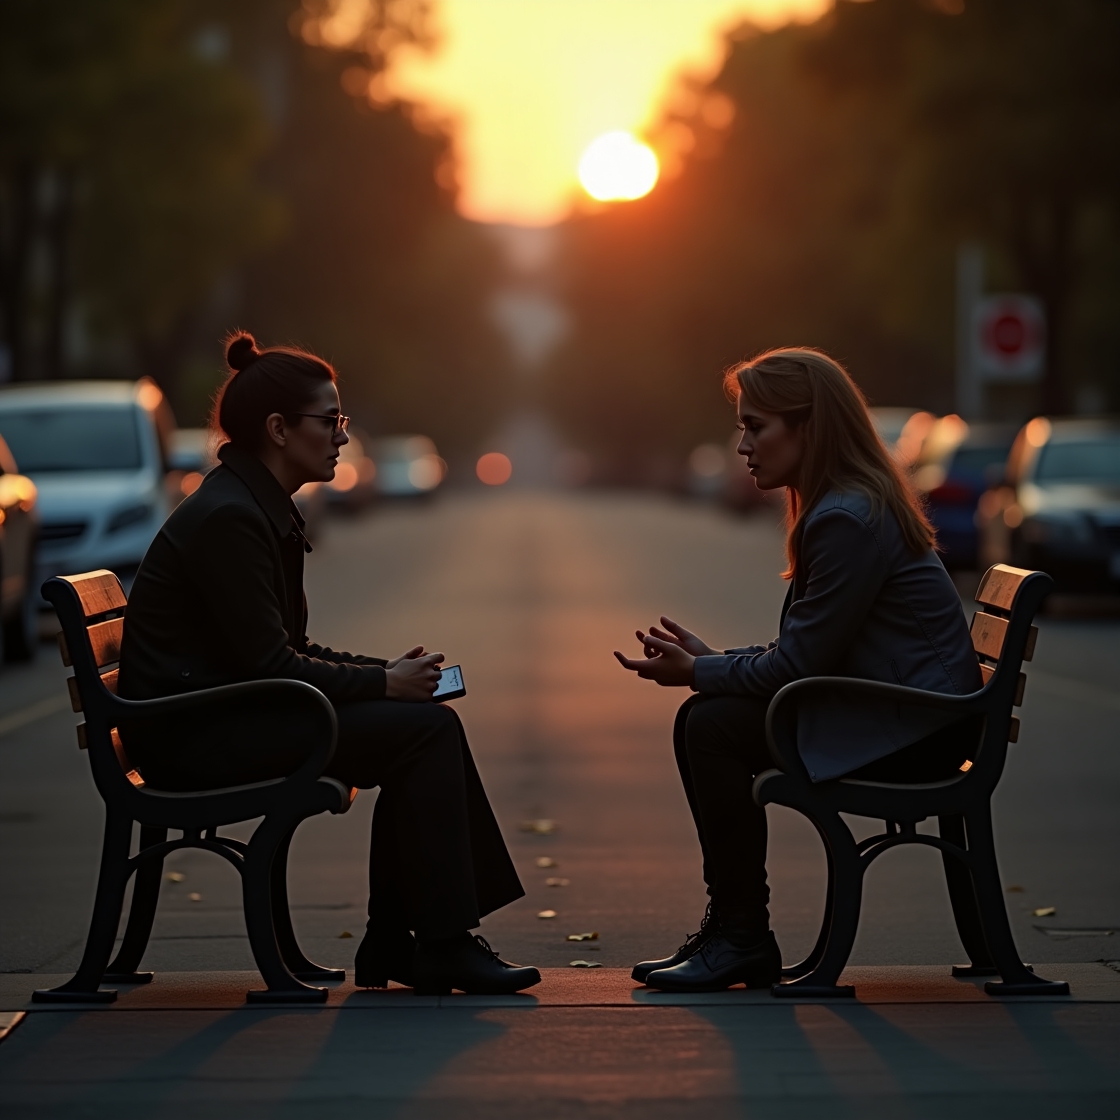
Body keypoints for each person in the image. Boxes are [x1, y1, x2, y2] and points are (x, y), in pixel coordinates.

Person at [118, 332, 539, 995]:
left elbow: (287, 654)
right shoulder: (232, 517)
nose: (343, 435)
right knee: (425, 733)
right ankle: (430, 944)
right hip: (195, 737)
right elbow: (269, 663)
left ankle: (412, 942)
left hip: (222, 715)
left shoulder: (250, 504)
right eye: (331, 421)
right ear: (280, 429)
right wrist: (380, 684)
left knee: (422, 722)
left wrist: (390, 675)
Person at [614, 347, 982, 993]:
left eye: (757, 426)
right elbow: (808, 651)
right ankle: (737, 933)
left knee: (710, 725)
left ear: (808, 427)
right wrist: (712, 664)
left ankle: (741, 937)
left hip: (919, 732)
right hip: (922, 717)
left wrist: (700, 672)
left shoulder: (844, 518)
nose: (743, 445)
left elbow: (801, 664)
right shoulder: (849, 503)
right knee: (709, 717)